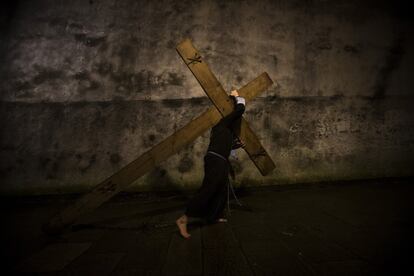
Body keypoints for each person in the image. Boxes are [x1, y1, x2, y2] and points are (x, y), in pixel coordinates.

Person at [176, 89, 246, 239]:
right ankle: (184, 219)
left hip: (220, 159)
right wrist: (237, 97)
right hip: (215, 160)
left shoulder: (226, 131)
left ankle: (212, 217)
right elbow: (240, 109)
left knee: (221, 190)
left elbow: (224, 146)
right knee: (208, 189)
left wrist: (236, 145)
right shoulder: (222, 124)